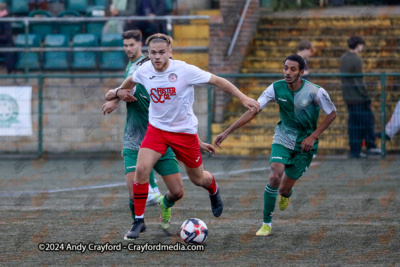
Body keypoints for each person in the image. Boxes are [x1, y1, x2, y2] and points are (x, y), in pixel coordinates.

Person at [105, 33, 260, 239]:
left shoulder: (184, 70)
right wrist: (117, 97)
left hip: (183, 133)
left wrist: (243, 97)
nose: (157, 57)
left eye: (161, 52)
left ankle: (213, 190)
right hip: (157, 130)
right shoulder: (144, 70)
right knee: (141, 170)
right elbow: (129, 82)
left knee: (198, 179)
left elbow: (217, 80)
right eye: (153, 53)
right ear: (148, 53)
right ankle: (138, 221)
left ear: (170, 52)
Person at [214, 55, 337, 236]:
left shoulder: (315, 91)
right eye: (285, 68)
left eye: (293, 69)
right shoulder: (275, 88)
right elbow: (254, 110)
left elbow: (332, 113)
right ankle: (266, 224)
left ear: (301, 72)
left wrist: (313, 136)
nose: (288, 72)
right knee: (274, 176)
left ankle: (286, 194)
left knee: (284, 188)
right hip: (283, 136)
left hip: (305, 144)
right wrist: (226, 132)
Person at [340, 35, 381, 158]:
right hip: (358, 97)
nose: (362, 47)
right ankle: (371, 146)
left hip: (348, 97)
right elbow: (358, 81)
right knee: (368, 120)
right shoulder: (356, 60)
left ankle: (355, 151)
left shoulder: (343, 58)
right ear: (358, 45)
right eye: (362, 45)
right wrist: (366, 95)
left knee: (354, 124)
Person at [0, 3, 15, 74]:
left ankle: (10, 71)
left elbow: (7, 36)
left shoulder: (6, 19)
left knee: (9, 52)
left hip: (5, 44)